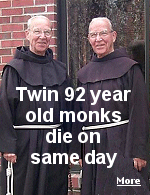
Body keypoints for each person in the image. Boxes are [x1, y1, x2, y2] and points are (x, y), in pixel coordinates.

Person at [71, 17, 149, 194]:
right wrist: (77, 149)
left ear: (113, 36)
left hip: (122, 144)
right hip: (93, 146)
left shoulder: (130, 69)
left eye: (103, 33)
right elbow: (78, 115)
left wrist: (139, 150)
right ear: (89, 39)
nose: (98, 39)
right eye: (93, 35)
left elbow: (140, 111)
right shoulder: (84, 74)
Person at [0, 15, 71, 195]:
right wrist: (8, 146)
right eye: (37, 31)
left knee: (54, 188)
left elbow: (71, 110)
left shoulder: (60, 70)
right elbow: (4, 108)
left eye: (47, 32)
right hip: (24, 145)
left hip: (55, 144)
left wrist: (71, 146)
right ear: (27, 34)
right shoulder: (14, 69)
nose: (42, 36)